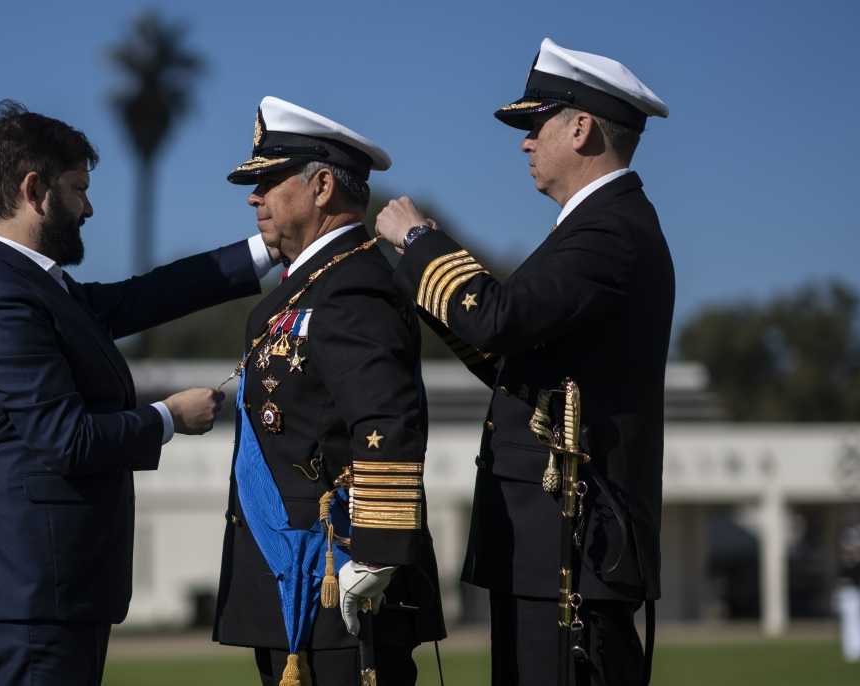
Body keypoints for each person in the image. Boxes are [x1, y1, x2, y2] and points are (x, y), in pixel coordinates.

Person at [0, 100, 279, 685]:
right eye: (77, 189)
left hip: (51, 592)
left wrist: (266, 252)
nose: (89, 207)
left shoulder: (32, 285)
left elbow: (140, 298)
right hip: (30, 596)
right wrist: (168, 417)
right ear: (33, 189)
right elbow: (65, 440)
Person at [376, 38, 673, 686]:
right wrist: (424, 293)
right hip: (549, 548)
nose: (524, 142)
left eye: (535, 124)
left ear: (582, 127)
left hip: (574, 548)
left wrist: (421, 242)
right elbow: (513, 355)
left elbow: (500, 317)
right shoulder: (595, 227)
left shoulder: (608, 232)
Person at [212, 96, 445, 686]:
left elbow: (386, 420)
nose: (253, 196)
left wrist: (377, 551)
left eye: (268, 179)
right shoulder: (310, 287)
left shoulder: (352, 288)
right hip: (297, 576)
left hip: (342, 578)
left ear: (320, 188)